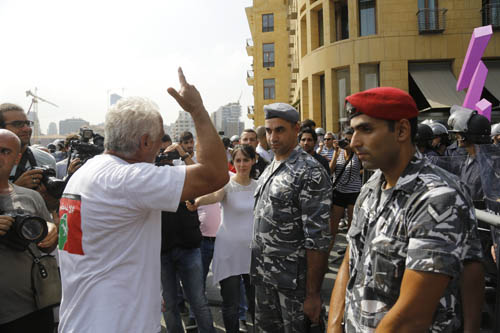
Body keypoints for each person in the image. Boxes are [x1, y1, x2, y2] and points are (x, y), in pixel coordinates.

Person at [57, 68, 229, 333]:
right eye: (161, 139)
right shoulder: (127, 179)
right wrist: (197, 110)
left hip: (85, 318)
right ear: (146, 141)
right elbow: (215, 174)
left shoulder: (86, 174)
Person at [328, 87, 483, 332]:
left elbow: (412, 316)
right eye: (353, 130)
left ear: (401, 130)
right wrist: (335, 324)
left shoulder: (437, 197)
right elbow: (350, 259)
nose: (354, 141)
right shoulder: (371, 187)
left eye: (366, 129)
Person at [252, 103, 332, 332]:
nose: (273, 137)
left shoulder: (310, 171)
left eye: (280, 130)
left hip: (293, 286)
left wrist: (313, 293)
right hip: (265, 279)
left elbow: (318, 239)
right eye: (268, 131)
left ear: (296, 129)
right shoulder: (271, 167)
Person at [188, 145, 257, 333]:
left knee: (255, 302)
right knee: (231, 303)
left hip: (252, 251)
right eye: (238, 160)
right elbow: (215, 196)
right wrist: (198, 201)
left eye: (246, 160)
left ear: (253, 160)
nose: (242, 164)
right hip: (228, 251)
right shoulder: (227, 185)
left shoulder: (259, 186)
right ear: (232, 162)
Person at [0, 129, 58, 332]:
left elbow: (49, 247)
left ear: (17, 158)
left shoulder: (31, 198)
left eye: (5, 151)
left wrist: (50, 232)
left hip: (30, 310)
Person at [0, 103, 58, 211]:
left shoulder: (47, 160)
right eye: (18, 124)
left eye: (27, 123)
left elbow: (51, 209)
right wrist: (16, 189)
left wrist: (49, 199)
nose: (26, 129)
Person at [329, 127, 362, 232]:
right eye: (345, 140)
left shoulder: (358, 153)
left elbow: (366, 166)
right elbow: (330, 170)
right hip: (338, 191)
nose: (346, 142)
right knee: (333, 227)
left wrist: (353, 149)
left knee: (352, 227)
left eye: (350, 140)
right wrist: (335, 152)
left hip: (354, 191)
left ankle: (350, 248)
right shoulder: (338, 152)